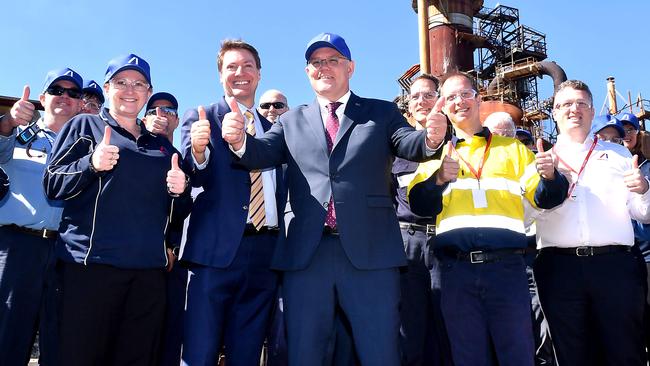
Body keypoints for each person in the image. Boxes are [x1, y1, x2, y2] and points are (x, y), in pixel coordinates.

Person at [220, 32, 446, 366]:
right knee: (305, 353)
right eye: (316, 62)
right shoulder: (290, 120)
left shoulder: (381, 113)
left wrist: (432, 136)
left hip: (371, 256)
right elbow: (259, 153)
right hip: (306, 255)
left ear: (350, 67)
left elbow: (410, 143)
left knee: (380, 352)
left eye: (333, 60)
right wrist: (238, 139)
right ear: (308, 71)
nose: (324, 67)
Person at [407, 72, 569, 366]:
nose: (459, 102)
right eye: (451, 97)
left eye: (465, 94)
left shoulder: (513, 149)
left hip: (507, 270)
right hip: (456, 273)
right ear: (443, 105)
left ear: (478, 98)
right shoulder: (433, 155)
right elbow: (418, 203)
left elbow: (545, 198)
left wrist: (551, 177)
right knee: (468, 357)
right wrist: (439, 178)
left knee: (517, 354)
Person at [43, 53, 192, 366]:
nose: (130, 89)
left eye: (139, 84)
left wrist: (181, 191)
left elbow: (176, 214)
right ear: (108, 88)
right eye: (121, 82)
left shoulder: (163, 147)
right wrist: (91, 164)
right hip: (91, 268)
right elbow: (53, 184)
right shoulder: (85, 126)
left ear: (148, 93)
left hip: (148, 276)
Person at [179, 39, 285, 366]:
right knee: (200, 353)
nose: (240, 73)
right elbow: (189, 173)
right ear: (220, 75)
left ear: (259, 73)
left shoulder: (278, 129)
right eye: (231, 67)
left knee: (248, 354)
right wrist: (198, 151)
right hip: (214, 255)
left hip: (265, 257)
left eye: (247, 66)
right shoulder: (202, 118)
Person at [533, 80, 648, 366]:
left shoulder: (619, 155)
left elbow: (642, 213)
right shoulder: (539, 160)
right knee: (571, 355)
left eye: (581, 103)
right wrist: (547, 185)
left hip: (615, 266)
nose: (574, 110)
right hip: (560, 268)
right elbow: (527, 218)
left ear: (592, 110)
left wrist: (644, 190)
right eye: (566, 104)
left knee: (625, 351)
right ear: (554, 113)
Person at [0, 67, 83, 366]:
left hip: (66, 253)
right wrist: (8, 121)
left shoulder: (88, 148)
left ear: (81, 103)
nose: (65, 97)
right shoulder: (16, 134)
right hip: (17, 247)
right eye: (57, 91)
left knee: (60, 341)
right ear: (42, 98)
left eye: (73, 93)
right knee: (8, 336)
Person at [391, 73, 453, 366]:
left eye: (428, 95)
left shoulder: (457, 144)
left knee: (448, 327)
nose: (420, 101)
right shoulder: (395, 148)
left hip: (445, 241)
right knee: (410, 331)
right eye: (414, 96)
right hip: (407, 244)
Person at [619, 111, 650, 363]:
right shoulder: (612, 166)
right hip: (623, 255)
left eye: (631, 129)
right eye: (622, 130)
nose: (626, 135)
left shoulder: (648, 165)